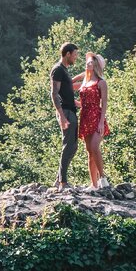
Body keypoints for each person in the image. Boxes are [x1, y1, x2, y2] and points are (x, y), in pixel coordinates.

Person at [76, 51, 112, 189]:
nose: (88, 63)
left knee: (95, 147)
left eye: (91, 61)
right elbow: (71, 84)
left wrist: (102, 122)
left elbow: (104, 103)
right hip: (85, 116)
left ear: (96, 65)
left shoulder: (101, 82)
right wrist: (74, 102)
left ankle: (103, 178)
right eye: (88, 61)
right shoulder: (85, 82)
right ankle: (94, 184)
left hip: (96, 117)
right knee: (89, 151)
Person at [51, 42, 80, 189]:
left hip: (70, 111)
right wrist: (61, 116)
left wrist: (79, 104)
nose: (76, 57)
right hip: (66, 113)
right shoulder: (58, 70)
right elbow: (54, 94)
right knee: (68, 146)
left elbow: (66, 93)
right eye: (75, 54)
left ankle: (59, 179)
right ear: (67, 54)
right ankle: (63, 182)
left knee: (73, 146)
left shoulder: (64, 70)